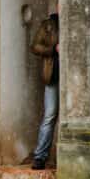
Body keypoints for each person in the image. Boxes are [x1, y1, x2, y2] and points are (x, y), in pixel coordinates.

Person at [30, 13, 60, 170]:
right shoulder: (48, 24)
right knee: (49, 115)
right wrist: (52, 49)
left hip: (74, 77)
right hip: (52, 76)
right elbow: (34, 46)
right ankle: (40, 157)